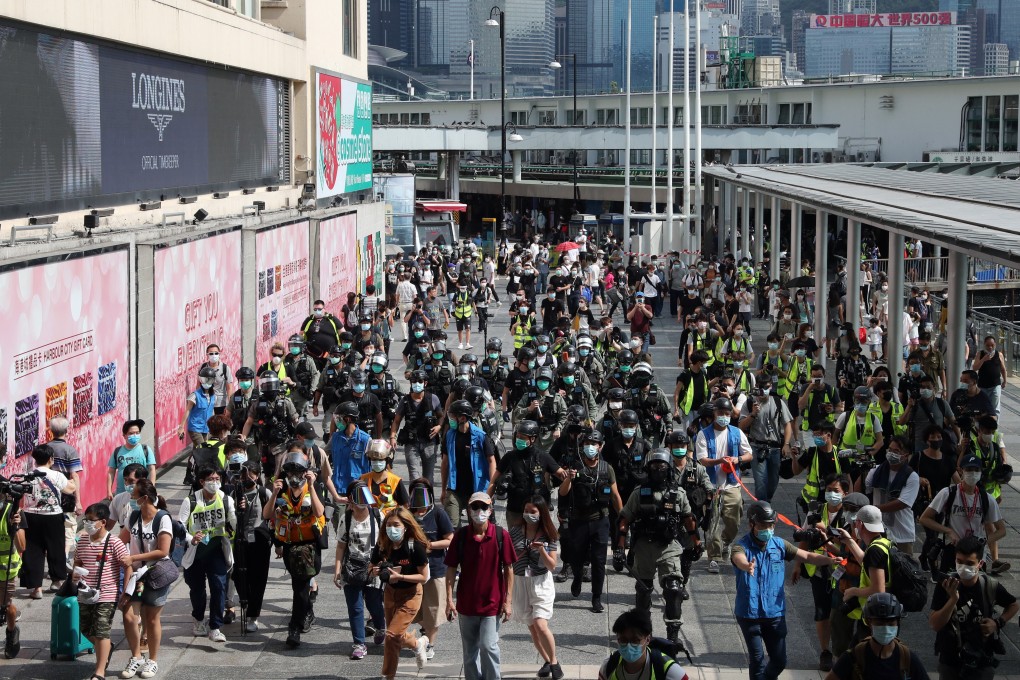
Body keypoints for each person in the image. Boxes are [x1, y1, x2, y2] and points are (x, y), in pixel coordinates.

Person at [732, 501, 839, 680]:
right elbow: (738, 557)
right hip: (749, 614)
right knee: (757, 659)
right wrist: (746, 566)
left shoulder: (780, 545)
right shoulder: (741, 546)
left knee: (780, 660)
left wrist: (829, 560)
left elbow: (806, 556)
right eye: (763, 525)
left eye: (771, 525)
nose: (768, 528)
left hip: (774, 613)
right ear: (751, 524)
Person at [617, 450, 701, 643]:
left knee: (673, 588)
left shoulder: (677, 494)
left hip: (668, 546)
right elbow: (624, 519)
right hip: (644, 546)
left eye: (662, 466)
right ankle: (643, 632)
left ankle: (672, 633)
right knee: (644, 589)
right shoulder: (639, 493)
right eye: (654, 466)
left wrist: (696, 541)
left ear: (669, 469)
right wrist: (620, 547)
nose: (658, 470)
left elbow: (689, 518)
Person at [444, 492, 517, 680]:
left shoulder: (501, 535)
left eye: (484, 507)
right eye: (475, 507)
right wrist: (448, 600)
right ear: (468, 511)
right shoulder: (460, 537)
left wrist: (508, 602)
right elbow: (451, 569)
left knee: (488, 646)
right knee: (469, 652)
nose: (479, 511)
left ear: (490, 510)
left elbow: (509, 569)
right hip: (466, 604)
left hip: (492, 604)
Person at [929, 535, 1018, 680]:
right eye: (959, 561)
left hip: (981, 658)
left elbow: (1013, 605)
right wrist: (953, 600)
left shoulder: (989, 585)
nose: (963, 567)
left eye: (970, 563)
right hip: (950, 659)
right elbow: (935, 624)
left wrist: (997, 623)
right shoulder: (946, 584)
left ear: (980, 563)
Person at [791, 474, 853, 672]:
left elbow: (848, 547)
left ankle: (843, 652)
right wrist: (798, 565)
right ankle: (825, 651)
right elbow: (805, 536)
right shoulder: (816, 511)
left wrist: (827, 532)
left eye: (836, 491)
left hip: (843, 572)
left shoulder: (850, 515)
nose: (831, 494)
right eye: (828, 490)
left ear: (845, 493)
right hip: (818, 570)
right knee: (821, 612)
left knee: (841, 614)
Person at [265, 450, 325, 648]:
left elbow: (319, 511)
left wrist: (313, 486)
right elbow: (267, 514)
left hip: (310, 546)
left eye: (298, 473)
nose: (294, 478)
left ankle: (295, 625)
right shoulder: (282, 490)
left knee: (301, 585)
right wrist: (274, 493)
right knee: (298, 586)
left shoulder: (313, 488)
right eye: (290, 473)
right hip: (290, 546)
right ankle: (302, 616)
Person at [118, 479, 172, 680]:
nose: (132, 499)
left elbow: (163, 550)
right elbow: (121, 539)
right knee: (129, 616)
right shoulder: (133, 517)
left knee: (151, 618)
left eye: (134, 496)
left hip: (156, 574)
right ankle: (136, 657)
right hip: (137, 577)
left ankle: (153, 660)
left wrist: (134, 558)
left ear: (145, 498)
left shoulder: (162, 518)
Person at [72, 503, 131, 680]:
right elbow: (78, 563)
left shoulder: (113, 542)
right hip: (85, 593)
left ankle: (99, 672)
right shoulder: (82, 540)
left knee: (101, 630)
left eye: (91, 520)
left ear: (103, 522)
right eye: (86, 520)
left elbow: (127, 565)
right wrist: (75, 574)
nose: (87, 523)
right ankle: (106, 646)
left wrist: (125, 591)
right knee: (85, 629)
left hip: (107, 593)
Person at [371, 507, 431, 678]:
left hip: (411, 594)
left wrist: (401, 576)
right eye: (388, 525)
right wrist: (374, 570)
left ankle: (387, 676)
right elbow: (372, 564)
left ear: (405, 525)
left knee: (390, 636)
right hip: (390, 593)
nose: (392, 529)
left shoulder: (414, 546)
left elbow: (424, 576)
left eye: (396, 524)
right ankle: (417, 643)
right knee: (395, 635)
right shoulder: (383, 545)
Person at [179, 466, 236, 644]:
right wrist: (191, 538)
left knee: (219, 587)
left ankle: (215, 627)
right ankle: (198, 619)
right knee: (197, 590)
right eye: (211, 479)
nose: (215, 482)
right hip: (195, 553)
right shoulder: (190, 501)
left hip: (217, 551)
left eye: (217, 479)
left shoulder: (226, 499)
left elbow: (233, 522)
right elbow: (180, 527)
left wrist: (234, 519)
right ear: (202, 482)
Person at [696, 397, 753, 574]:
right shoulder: (703, 434)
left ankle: (725, 541)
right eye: (720, 413)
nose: (724, 416)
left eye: (727, 414)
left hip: (732, 485)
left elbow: (749, 454)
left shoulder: (736, 433)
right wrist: (719, 460)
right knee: (712, 523)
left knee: (734, 521)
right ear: (714, 414)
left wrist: (738, 459)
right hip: (711, 486)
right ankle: (714, 557)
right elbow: (702, 460)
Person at [334, 481, 386, 660]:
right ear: (351, 500)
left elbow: (385, 545)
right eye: (358, 498)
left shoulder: (378, 515)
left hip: (373, 567)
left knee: (374, 603)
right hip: (352, 567)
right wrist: (337, 570)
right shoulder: (346, 518)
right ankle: (359, 643)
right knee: (355, 607)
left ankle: (380, 626)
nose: (363, 502)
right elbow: (341, 546)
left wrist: (382, 564)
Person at [826, 593, 929, 680]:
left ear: (898, 622)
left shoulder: (907, 659)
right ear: (868, 622)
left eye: (890, 623)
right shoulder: (853, 658)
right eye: (880, 622)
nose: (885, 627)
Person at [21, 444, 76, 598]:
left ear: (35, 459)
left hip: (31, 516)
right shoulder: (56, 475)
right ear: (51, 459)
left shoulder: (27, 475)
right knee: (56, 548)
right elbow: (70, 489)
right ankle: (56, 581)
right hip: (53, 516)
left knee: (33, 550)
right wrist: (75, 480)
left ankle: (36, 588)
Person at [408, 479, 454, 661]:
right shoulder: (407, 514)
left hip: (435, 569)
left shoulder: (438, 514)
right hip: (413, 570)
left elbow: (450, 539)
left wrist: (430, 545)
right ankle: (424, 631)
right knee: (414, 609)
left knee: (434, 610)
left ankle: (430, 644)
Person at [488, 420, 565, 527]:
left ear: (532, 439)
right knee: (516, 541)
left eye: (522, 437)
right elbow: (493, 481)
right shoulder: (509, 457)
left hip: (537, 510)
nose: (518, 440)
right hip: (515, 510)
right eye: (517, 436)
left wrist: (569, 475)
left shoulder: (543, 457)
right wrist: (487, 501)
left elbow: (561, 474)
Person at [230, 459, 272, 633]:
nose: (247, 479)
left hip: (260, 541)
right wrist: (238, 507)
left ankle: (253, 615)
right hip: (240, 540)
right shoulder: (235, 494)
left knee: (258, 579)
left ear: (257, 476)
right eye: (244, 475)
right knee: (238, 576)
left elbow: (272, 517)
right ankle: (245, 603)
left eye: (251, 475)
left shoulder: (264, 493)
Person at [441, 400, 497, 527]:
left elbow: (491, 461)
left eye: (452, 416)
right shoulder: (449, 435)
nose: (450, 419)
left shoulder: (480, 436)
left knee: (477, 527)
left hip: (476, 489)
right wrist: (444, 489)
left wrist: (490, 488)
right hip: (455, 489)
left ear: (462, 417)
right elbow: (445, 463)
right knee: (452, 527)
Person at [738, 384, 794, 503]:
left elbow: (787, 423)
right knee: (760, 481)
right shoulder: (750, 403)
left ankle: (766, 501)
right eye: (762, 388)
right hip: (756, 447)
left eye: (767, 387)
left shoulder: (778, 402)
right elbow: (741, 426)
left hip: (775, 448)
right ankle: (763, 507)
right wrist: (753, 414)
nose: (764, 391)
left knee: (773, 480)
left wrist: (787, 444)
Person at [598, 608, 690, 680]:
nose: (629, 645)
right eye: (623, 640)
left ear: (647, 640)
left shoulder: (670, 671)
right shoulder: (609, 665)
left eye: (635, 640)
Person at [863, 436, 919, 554]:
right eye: (890, 450)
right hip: (877, 531)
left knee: (903, 569)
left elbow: (902, 503)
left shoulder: (911, 476)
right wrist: (862, 471)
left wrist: (874, 509)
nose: (891, 453)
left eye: (896, 451)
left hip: (901, 535)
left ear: (905, 455)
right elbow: (865, 487)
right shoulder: (876, 470)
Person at [390, 371, 444, 485]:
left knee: (428, 477)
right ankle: (415, 501)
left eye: (419, 381)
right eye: (414, 381)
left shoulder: (433, 398)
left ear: (425, 383)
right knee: (414, 476)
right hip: (411, 442)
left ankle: (429, 501)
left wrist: (439, 426)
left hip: (429, 442)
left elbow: (441, 416)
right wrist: (392, 437)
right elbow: (396, 421)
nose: (416, 384)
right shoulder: (405, 401)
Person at [45, 417, 83, 563]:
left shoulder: (45, 448)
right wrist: (78, 501)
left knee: (52, 530)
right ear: (66, 431)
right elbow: (74, 476)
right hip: (66, 495)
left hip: (48, 495)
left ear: (51, 431)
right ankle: (64, 557)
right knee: (69, 528)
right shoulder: (69, 450)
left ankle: (53, 561)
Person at [0, 471, 24, 660]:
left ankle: (11, 630)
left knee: (7, 607)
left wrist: (14, 527)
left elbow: (22, 546)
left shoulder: (12, 511)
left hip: (5, 570)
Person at [329, 402, 372, 503]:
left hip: (359, 490)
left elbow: (374, 465)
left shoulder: (366, 440)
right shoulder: (335, 438)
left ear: (347, 419)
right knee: (338, 517)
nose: (336, 421)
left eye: (339, 418)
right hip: (339, 489)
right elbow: (323, 454)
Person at [107, 420, 157, 500]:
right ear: (124, 435)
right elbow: (111, 472)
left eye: (137, 433)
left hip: (141, 493)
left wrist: (151, 488)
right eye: (131, 433)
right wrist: (109, 490)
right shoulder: (117, 451)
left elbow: (152, 470)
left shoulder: (146, 449)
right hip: (122, 493)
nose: (135, 435)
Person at [359, 439, 409, 515]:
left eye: (380, 460)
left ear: (387, 460)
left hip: (389, 523)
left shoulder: (395, 481)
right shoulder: (363, 479)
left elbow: (406, 506)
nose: (377, 462)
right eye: (374, 459)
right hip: (368, 523)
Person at [178, 365, 218, 448]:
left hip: (206, 427)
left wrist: (214, 425)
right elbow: (187, 411)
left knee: (198, 451)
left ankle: (193, 461)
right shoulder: (195, 395)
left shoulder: (213, 396)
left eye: (209, 380)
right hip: (195, 428)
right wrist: (181, 427)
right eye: (204, 379)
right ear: (200, 380)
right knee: (203, 448)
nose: (207, 382)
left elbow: (211, 411)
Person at [972, 336, 1007, 416]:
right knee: (983, 408)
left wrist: (1005, 380)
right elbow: (974, 368)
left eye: (992, 345)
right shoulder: (980, 354)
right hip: (983, 386)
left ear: (995, 344)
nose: (990, 347)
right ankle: (984, 427)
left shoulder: (999, 354)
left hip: (995, 385)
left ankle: (994, 427)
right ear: (984, 345)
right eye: (988, 345)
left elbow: (1003, 369)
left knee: (995, 408)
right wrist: (983, 359)